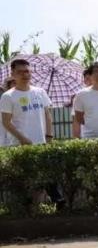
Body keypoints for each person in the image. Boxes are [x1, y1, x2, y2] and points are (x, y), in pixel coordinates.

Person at [0, 59, 65, 207]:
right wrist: (22, 139)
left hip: (41, 141)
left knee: (47, 173)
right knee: (23, 177)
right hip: (18, 144)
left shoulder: (40, 92)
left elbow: (47, 115)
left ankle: (58, 201)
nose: (25, 74)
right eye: (20, 72)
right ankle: (24, 207)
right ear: (13, 74)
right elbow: (6, 122)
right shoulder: (8, 96)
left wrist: (49, 136)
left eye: (27, 71)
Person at [72, 68, 93, 139]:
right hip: (86, 136)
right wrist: (76, 139)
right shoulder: (79, 96)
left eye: (92, 78)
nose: (90, 81)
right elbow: (76, 120)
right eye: (87, 79)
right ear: (84, 81)